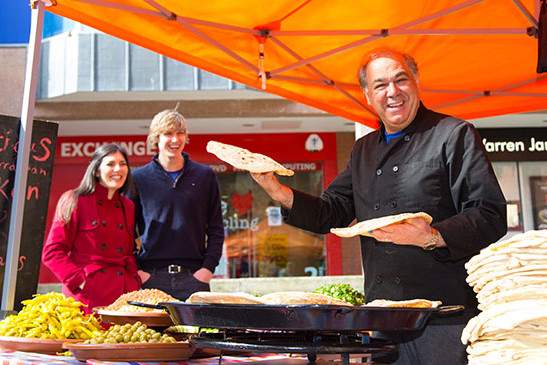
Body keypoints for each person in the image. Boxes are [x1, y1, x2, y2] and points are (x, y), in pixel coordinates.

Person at [251, 48, 507, 364]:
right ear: (368, 95)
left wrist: (431, 236)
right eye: (381, 85)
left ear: (416, 82)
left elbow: (491, 214)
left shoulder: (453, 135)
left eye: (401, 80)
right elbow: (331, 212)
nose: (393, 92)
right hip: (383, 316)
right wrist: (278, 191)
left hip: (444, 316)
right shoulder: (363, 150)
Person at [126, 108, 224, 301]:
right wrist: (137, 270)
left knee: (198, 332)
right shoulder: (138, 179)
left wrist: (207, 269)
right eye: (168, 134)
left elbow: (216, 228)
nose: (175, 139)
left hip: (194, 277)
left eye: (180, 133)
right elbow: (127, 230)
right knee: (150, 332)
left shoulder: (205, 176)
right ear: (156, 138)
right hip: (150, 278)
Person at [42, 143, 141, 314]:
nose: (118, 169)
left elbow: (129, 253)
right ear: (96, 171)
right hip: (86, 297)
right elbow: (52, 252)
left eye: (123, 164)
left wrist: (133, 281)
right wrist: (79, 281)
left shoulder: (128, 205)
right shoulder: (74, 200)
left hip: (121, 298)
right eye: (110, 164)